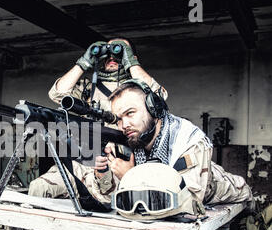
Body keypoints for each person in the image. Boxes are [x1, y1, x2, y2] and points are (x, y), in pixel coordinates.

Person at [28, 38, 167, 201]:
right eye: (108, 53)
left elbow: (160, 96)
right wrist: (84, 62)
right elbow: (57, 94)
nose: (112, 57)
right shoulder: (87, 88)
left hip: (116, 164)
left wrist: (129, 59)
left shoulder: (137, 90)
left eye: (119, 52)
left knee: (107, 202)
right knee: (38, 188)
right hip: (82, 162)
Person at [93, 79, 254, 211]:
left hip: (234, 197)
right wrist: (103, 175)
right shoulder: (131, 139)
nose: (123, 125)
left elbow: (187, 205)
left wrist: (131, 177)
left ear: (153, 109)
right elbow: (110, 200)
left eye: (130, 113)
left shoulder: (188, 140)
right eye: (119, 119)